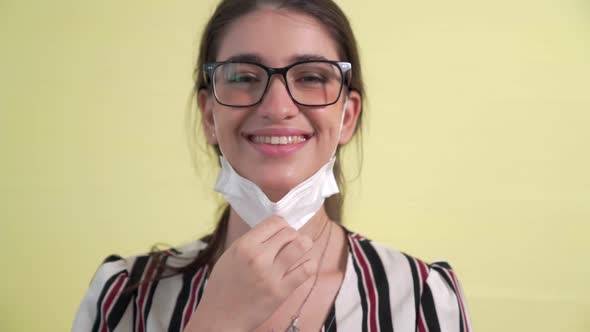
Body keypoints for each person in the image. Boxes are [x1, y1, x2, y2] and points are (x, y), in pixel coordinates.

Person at [72, 0, 472, 331]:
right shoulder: (123, 297)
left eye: (312, 77)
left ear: (347, 117)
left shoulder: (422, 298)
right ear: (209, 115)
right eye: (244, 77)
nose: (278, 107)